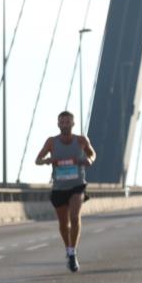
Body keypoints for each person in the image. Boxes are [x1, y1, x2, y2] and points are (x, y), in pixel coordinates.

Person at [35, 111, 97, 273]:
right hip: (59, 187)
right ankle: (68, 250)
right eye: (62, 122)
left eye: (68, 121)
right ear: (58, 124)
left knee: (74, 217)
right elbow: (37, 160)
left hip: (77, 185)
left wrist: (87, 161)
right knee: (64, 224)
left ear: (73, 123)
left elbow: (92, 155)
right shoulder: (51, 142)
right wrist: (49, 160)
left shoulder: (81, 140)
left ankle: (73, 252)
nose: (65, 124)